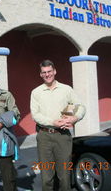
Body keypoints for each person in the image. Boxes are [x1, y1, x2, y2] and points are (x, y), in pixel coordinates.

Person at [30, 60, 86, 191]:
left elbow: (80, 106)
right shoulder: (36, 92)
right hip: (44, 136)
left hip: (62, 136)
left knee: (64, 176)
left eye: (49, 71)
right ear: (40, 74)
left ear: (54, 71)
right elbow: (35, 115)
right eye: (44, 72)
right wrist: (53, 122)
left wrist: (75, 118)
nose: (47, 74)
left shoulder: (66, 89)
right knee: (46, 177)